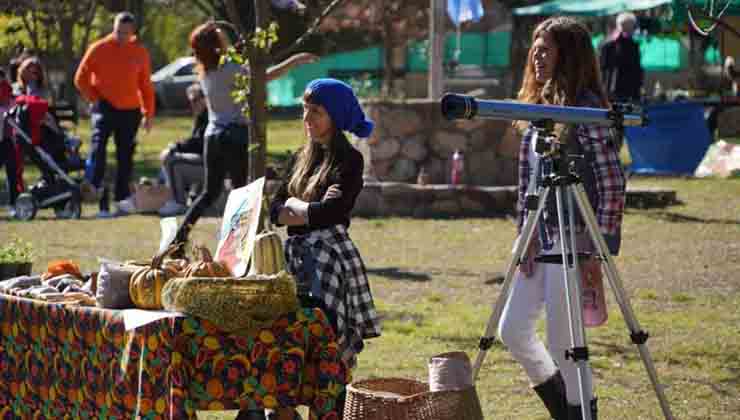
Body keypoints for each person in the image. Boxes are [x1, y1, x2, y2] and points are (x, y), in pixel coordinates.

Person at [497, 16, 626, 420]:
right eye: (534, 46)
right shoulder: (535, 109)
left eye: (546, 47)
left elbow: (611, 180)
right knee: (512, 329)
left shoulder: (585, 109)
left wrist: (598, 246)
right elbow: (526, 182)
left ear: (567, 55)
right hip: (541, 236)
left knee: (565, 344)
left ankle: (581, 412)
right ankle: (564, 408)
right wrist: (525, 235)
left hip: (575, 237)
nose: (537, 54)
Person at [269, 78, 382, 416]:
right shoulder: (298, 159)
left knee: (327, 350)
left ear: (335, 116)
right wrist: (304, 211)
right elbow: (274, 210)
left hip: (328, 266)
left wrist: (297, 208)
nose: (307, 117)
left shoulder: (349, 162)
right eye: (305, 109)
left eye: (315, 111)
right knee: (288, 350)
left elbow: (330, 212)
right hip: (294, 266)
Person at [170, 21, 317, 250]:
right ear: (216, 43)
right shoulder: (229, 68)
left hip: (213, 136)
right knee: (242, 193)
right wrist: (295, 60)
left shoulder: (205, 71)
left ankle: (179, 240)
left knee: (210, 193)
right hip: (234, 135)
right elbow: (263, 77)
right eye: (221, 35)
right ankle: (237, 247)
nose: (225, 37)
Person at [74, 11, 155, 217]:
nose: (121, 36)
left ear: (132, 32)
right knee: (98, 146)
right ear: (114, 28)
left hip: (130, 111)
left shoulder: (140, 52)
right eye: (118, 32)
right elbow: (80, 78)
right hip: (105, 107)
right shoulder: (99, 48)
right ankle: (96, 191)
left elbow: (145, 86)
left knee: (125, 156)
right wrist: (95, 99)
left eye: (125, 33)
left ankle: (121, 200)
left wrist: (148, 113)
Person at [157, 83, 208, 217]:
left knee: (171, 160)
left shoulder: (209, 116)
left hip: (215, 167)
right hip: (205, 162)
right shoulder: (201, 116)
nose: (192, 104)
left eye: (195, 100)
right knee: (170, 160)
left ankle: (178, 203)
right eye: (190, 101)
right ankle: (175, 198)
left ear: (205, 99)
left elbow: (199, 144)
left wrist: (175, 147)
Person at [600, 12, 643, 103]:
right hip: (613, 91)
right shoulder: (609, 45)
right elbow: (603, 68)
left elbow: (636, 70)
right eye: (626, 26)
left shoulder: (633, 45)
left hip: (627, 91)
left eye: (630, 27)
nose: (630, 30)